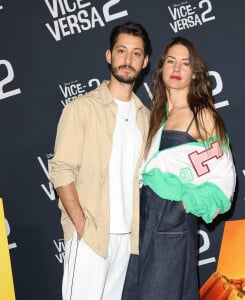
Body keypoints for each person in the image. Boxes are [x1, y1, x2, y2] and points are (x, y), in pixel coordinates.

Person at [122, 37, 236, 300]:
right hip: (143, 217)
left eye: (185, 63)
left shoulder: (203, 115)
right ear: (161, 68)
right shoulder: (155, 115)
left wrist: (181, 206)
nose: (176, 68)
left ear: (194, 74)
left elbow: (224, 180)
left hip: (171, 218)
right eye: (171, 61)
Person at [49, 21, 151, 300]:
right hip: (91, 237)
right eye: (121, 51)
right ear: (109, 55)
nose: (127, 60)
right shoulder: (81, 109)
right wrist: (81, 225)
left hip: (126, 240)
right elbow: (61, 170)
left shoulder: (146, 117)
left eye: (136, 53)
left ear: (145, 62)